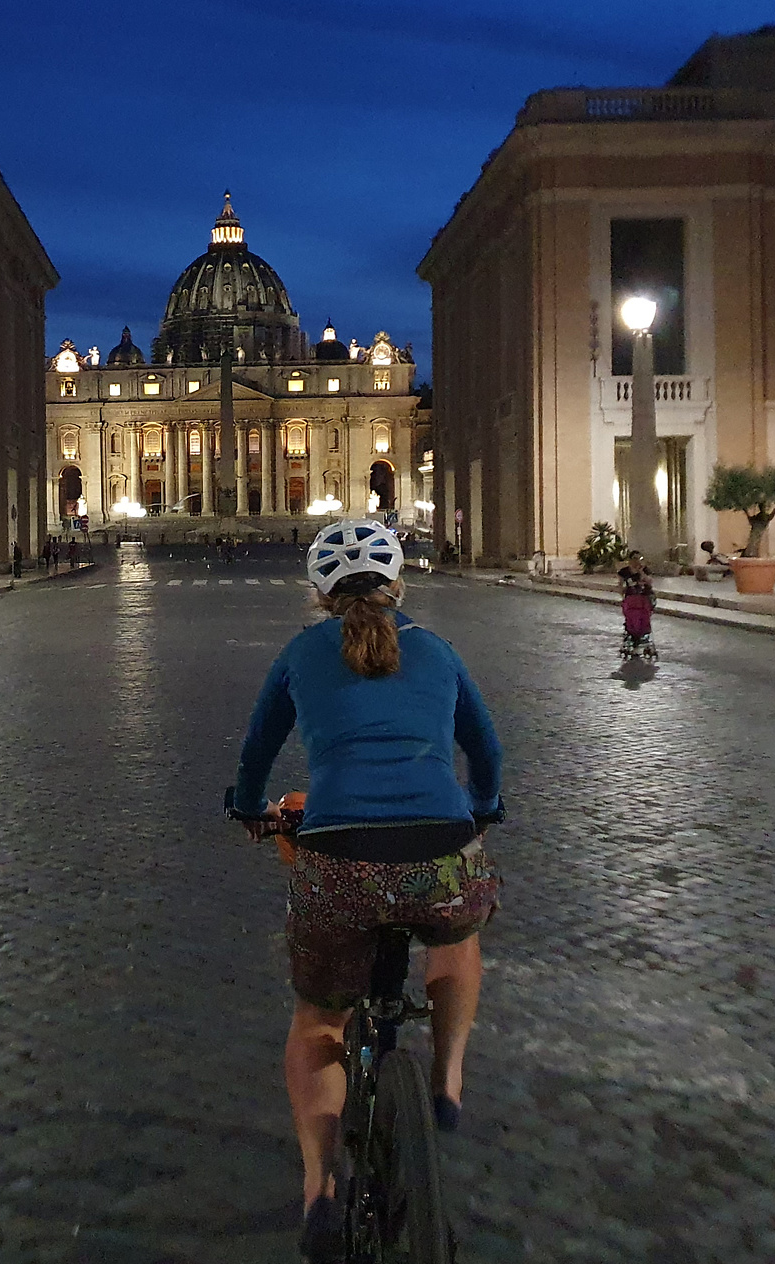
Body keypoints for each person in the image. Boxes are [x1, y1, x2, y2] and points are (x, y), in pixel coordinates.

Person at [231, 519, 503, 1261]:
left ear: (319, 593)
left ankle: (320, 1189)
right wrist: (484, 808)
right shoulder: (437, 650)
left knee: (319, 1023)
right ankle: (447, 1078)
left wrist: (244, 805)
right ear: (399, 583)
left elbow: (256, 754)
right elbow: (486, 751)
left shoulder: (300, 653)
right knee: (457, 936)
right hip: (437, 853)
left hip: (337, 858)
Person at [618, 549, 655, 652]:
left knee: (644, 616)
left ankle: (642, 636)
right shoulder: (624, 572)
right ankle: (633, 635)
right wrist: (623, 596)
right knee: (632, 617)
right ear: (630, 560)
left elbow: (649, 582)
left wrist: (641, 572)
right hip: (631, 598)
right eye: (635, 559)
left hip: (644, 597)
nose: (637, 561)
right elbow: (620, 586)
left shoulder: (645, 570)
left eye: (639, 559)